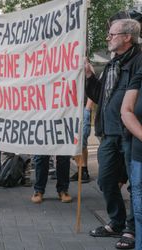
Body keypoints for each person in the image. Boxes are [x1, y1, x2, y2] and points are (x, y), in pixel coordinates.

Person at [86, 19, 141, 249]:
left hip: (129, 134)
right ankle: (117, 221)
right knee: (106, 179)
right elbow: (101, 96)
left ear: (127, 37)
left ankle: (131, 228)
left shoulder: (139, 61)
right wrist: (89, 77)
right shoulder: (110, 64)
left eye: (112, 34)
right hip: (109, 133)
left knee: (135, 185)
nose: (108, 38)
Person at [121, 68, 142, 250]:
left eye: (112, 35)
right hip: (140, 156)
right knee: (140, 212)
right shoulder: (140, 74)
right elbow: (126, 111)